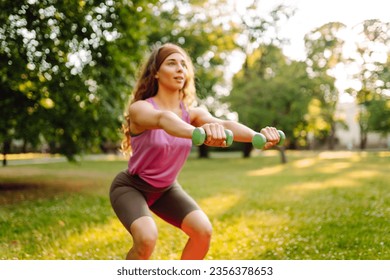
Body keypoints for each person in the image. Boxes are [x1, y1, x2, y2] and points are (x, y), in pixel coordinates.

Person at [109, 42, 281, 260]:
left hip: (166, 189)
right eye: (172, 63)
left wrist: (258, 137)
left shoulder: (193, 113)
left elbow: (224, 124)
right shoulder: (140, 108)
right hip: (131, 186)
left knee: (202, 232)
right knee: (147, 237)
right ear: (155, 73)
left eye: (184, 64)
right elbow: (164, 119)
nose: (180, 68)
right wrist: (198, 133)